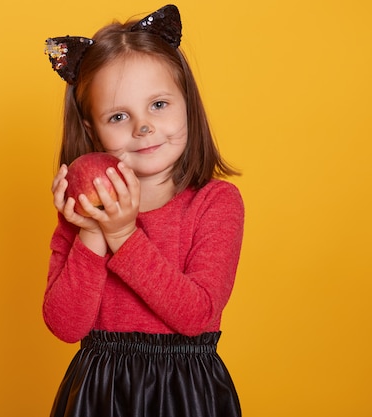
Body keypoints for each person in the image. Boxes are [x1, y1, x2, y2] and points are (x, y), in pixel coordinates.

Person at [42, 4, 244, 416]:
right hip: (99, 395)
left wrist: (122, 235)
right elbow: (65, 325)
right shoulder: (83, 214)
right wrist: (93, 232)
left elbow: (197, 315)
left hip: (184, 393)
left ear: (186, 101)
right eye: (119, 116)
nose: (143, 127)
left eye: (158, 105)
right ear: (90, 129)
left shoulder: (216, 203)